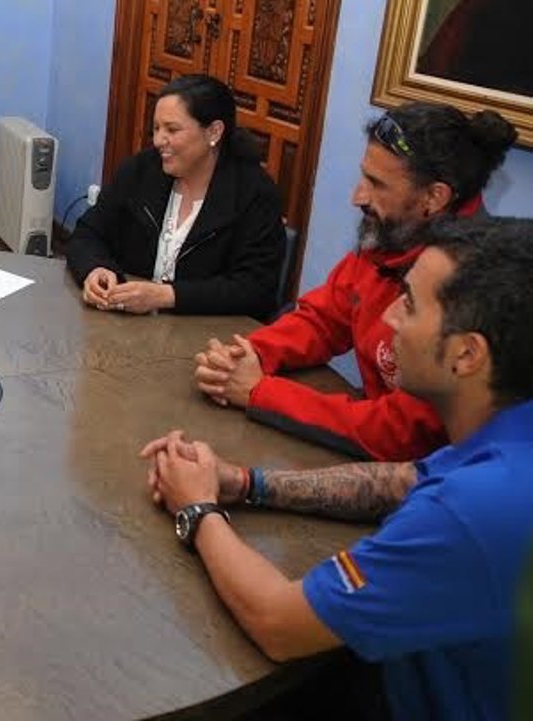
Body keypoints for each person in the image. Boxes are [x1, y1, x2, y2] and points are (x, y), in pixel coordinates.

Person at [142, 216, 533, 721]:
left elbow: (278, 622)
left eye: (410, 304)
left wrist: (197, 508)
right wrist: (245, 482)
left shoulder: (471, 511)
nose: (389, 318)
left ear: (466, 355)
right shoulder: (505, 439)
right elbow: (403, 479)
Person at [193, 102, 515, 460]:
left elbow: (400, 433)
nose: (357, 197)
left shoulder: (473, 286)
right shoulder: (396, 237)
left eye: (376, 184)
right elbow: (325, 318)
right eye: (364, 176)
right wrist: (248, 353)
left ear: (434, 197)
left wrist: (260, 392)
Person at [66, 74, 284, 319]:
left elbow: (254, 288)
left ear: (214, 132)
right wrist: (95, 269)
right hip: (131, 328)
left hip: (210, 335)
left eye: (172, 129)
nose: (159, 141)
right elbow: (88, 233)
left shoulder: (254, 193)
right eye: (156, 128)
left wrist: (166, 296)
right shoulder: (141, 171)